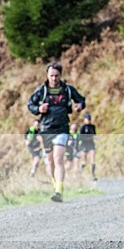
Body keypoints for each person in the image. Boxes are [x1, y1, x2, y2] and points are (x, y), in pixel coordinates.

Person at [27, 61, 86, 202]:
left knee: (58, 158)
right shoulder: (42, 91)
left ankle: (59, 191)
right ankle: (55, 186)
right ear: (47, 75)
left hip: (62, 128)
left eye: (57, 75)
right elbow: (31, 104)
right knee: (51, 162)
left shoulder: (68, 90)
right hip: (46, 128)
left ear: (60, 75)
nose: (54, 78)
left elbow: (81, 100)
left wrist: (79, 106)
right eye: (51, 75)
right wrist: (38, 109)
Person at [78, 112, 98, 181]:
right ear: (85, 119)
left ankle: (93, 174)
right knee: (84, 161)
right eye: (87, 119)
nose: (88, 120)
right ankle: (81, 173)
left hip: (91, 144)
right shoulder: (83, 127)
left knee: (93, 158)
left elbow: (94, 134)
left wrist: (95, 137)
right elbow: (80, 137)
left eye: (89, 119)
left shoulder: (93, 127)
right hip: (84, 144)